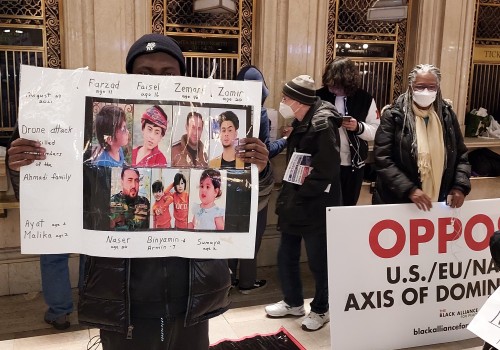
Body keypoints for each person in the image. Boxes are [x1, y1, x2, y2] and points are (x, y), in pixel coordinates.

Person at [78, 33, 270, 349]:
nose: (157, 80)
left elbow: (245, 206)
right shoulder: (102, 154)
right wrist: (30, 171)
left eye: (168, 72)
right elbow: (73, 201)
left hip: (192, 293)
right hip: (125, 295)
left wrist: (259, 172)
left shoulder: (210, 151)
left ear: (182, 76)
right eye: (145, 72)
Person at [264, 75, 342, 332]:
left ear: (299, 101)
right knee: (286, 252)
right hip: (295, 200)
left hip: (315, 204)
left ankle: (322, 309)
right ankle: (293, 302)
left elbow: (325, 170)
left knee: (319, 261)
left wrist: (302, 195)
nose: (283, 102)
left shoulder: (322, 125)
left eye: (286, 98)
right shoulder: (302, 120)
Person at [6, 131, 85, 331]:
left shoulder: (39, 105)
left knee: (53, 255)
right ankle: (90, 305)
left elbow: (20, 147)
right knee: (91, 254)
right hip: (89, 191)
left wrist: (25, 199)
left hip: (51, 192)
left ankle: (59, 313)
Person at [372, 64, 471, 211]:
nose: (426, 91)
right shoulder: (393, 115)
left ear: (438, 88)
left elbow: (461, 155)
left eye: (431, 87)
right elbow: (382, 158)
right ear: (411, 87)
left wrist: (460, 186)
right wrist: (409, 189)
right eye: (420, 86)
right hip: (397, 201)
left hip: (439, 200)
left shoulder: (446, 116)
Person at [228, 65, 288, 294]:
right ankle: (247, 282)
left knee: (232, 231)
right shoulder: (260, 113)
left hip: (230, 179)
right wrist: (284, 140)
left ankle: (229, 278)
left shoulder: (228, 110)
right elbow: (263, 151)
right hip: (254, 181)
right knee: (254, 231)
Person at [316, 57, 380, 206]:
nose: (333, 89)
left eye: (338, 86)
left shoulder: (365, 99)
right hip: (324, 163)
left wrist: (358, 127)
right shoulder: (318, 96)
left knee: (347, 206)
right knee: (323, 207)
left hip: (353, 166)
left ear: (349, 83)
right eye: (331, 85)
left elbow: (376, 130)